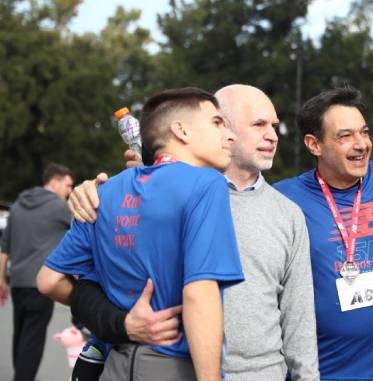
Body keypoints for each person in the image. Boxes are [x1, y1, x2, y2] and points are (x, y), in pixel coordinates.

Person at [66, 84, 320, 381]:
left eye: (274, 126)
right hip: (174, 370)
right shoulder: (155, 197)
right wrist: (121, 323)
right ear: (221, 126)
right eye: (259, 124)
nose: (273, 135)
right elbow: (84, 284)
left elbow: (298, 316)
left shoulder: (287, 214)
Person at [36, 87, 244, 381]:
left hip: (114, 365)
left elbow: (48, 281)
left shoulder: (102, 193)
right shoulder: (207, 183)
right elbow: (200, 293)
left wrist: (118, 320)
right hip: (170, 365)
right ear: (181, 130)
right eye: (217, 122)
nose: (230, 135)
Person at [274, 88, 373, 381]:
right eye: (345, 136)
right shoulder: (283, 198)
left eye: (364, 132)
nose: (361, 144)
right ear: (313, 144)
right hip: (324, 373)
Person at [0, 163, 73, 381]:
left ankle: (19, 375)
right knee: (33, 340)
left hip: (18, 283)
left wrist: (1, 279)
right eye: (68, 185)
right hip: (41, 285)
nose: (70, 191)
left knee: (20, 335)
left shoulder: (17, 207)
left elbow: (5, 247)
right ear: (54, 181)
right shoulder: (60, 208)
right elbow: (84, 229)